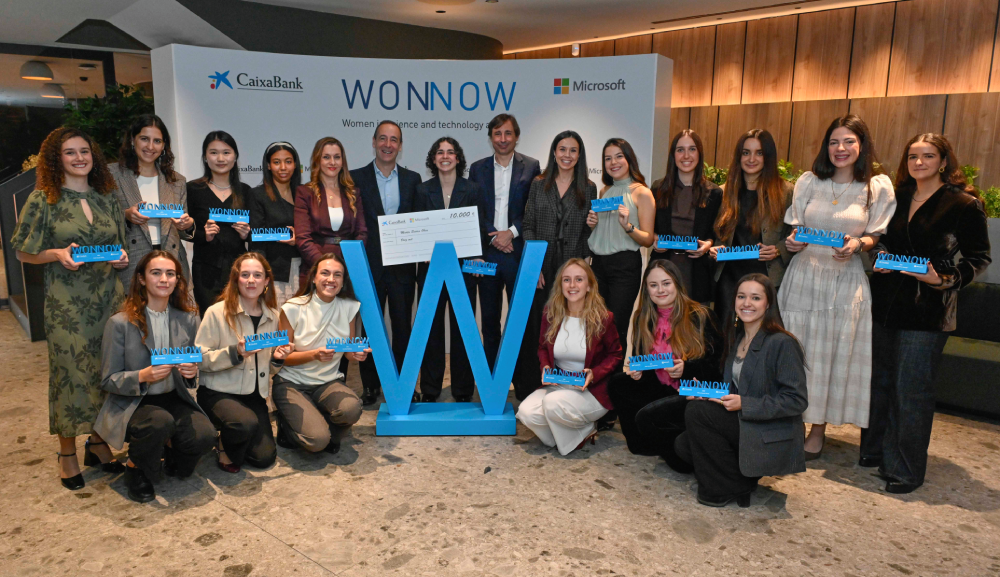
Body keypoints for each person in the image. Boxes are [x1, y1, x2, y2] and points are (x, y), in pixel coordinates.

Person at [862, 133, 991, 494]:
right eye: (913, 156)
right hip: (885, 304)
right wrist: (879, 256)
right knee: (880, 384)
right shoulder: (896, 198)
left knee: (912, 390)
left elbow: (979, 258)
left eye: (928, 156)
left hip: (928, 311)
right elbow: (882, 239)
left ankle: (905, 468)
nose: (919, 163)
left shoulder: (963, 204)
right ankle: (876, 452)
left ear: (944, 161)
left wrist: (944, 277)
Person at [11, 127, 129, 491]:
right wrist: (56, 254)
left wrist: (121, 257)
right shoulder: (42, 200)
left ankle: (97, 443)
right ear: (55, 159)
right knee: (70, 377)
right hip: (67, 305)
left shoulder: (107, 197)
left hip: (109, 299)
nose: (80, 158)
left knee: (107, 371)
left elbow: (120, 245)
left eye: (85, 151)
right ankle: (67, 454)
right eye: (70, 153)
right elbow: (22, 251)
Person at [778, 115, 896, 460]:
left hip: (844, 281)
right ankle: (790, 422)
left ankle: (818, 429)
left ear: (862, 146)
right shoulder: (809, 181)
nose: (840, 149)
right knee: (795, 351)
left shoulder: (876, 186)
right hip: (803, 276)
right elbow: (796, 227)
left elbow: (876, 235)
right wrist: (793, 241)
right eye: (834, 142)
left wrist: (858, 245)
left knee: (830, 354)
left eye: (848, 142)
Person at [674, 273, 808, 507]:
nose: (747, 303)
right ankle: (740, 480)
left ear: (768, 304)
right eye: (741, 296)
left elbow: (796, 400)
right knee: (683, 445)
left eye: (755, 298)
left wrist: (745, 403)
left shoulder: (782, 342)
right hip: (744, 422)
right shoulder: (737, 339)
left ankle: (721, 489)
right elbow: (734, 388)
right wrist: (706, 393)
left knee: (696, 414)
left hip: (767, 427)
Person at [94, 251, 215, 502]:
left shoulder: (189, 319)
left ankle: (169, 450)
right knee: (158, 422)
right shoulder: (120, 323)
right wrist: (142, 375)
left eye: (170, 274)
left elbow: (192, 367)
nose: (164, 279)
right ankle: (134, 468)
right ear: (141, 279)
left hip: (173, 396)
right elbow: (108, 379)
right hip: (136, 401)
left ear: (177, 280)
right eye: (156, 273)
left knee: (204, 435)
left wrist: (191, 373)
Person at [606, 260, 723, 469]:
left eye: (666, 283)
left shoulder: (701, 315)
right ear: (647, 290)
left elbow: (716, 366)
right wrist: (637, 372)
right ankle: (650, 441)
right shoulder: (643, 317)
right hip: (660, 387)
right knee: (618, 384)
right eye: (653, 285)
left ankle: (673, 439)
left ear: (677, 284)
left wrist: (686, 368)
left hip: (691, 392)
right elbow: (640, 360)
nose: (660, 290)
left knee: (680, 464)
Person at [195, 253, 293, 473]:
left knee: (264, 459)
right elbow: (200, 359)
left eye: (257, 275)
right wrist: (235, 353)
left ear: (266, 281)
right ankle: (223, 442)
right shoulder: (216, 313)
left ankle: (236, 435)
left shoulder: (273, 316)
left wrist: (278, 359)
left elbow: (268, 368)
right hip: (219, 392)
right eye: (245, 275)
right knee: (243, 424)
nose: (251, 281)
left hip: (254, 395)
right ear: (235, 279)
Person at [518, 130, 597, 400]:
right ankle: (532, 385)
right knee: (538, 326)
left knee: (567, 327)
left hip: (571, 268)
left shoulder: (588, 187)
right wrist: (533, 265)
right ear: (554, 152)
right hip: (542, 266)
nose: (567, 155)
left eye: (573, 150)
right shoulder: (539, 184)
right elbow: (528, 226)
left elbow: (588, 233)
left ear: (579, 155)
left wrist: (583, 269)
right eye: (562, 149)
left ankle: (563, 384)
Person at [412, 136, 490, 403]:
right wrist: (422, 250)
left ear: (458, 158)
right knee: (431, 331)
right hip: (430, 269)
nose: (445, 156)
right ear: (433, 159)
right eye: (440, 152)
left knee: (463, 330)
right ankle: (431, 389)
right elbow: (418, 228)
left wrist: (478, 254)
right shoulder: (422, 190)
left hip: (463, 270)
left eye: (450, 152)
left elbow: (479, 226)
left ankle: (463, 390)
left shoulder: (473, 189)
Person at [517, 259, 622, 455]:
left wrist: (594, 373)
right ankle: (579, 434)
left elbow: (615, 355)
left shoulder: (603, 318)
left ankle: (574, 433)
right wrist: (546, 367)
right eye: (567, 280)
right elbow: (542, 347)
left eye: (579, 279)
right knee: (526, 412)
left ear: (589, 285)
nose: (572, 285)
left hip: (591, 391)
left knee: (552, 404)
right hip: (559, 384)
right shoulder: (551, 313)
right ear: (560, 285)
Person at [349, 121, 422, 405]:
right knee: (370, 328)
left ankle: (405, 384)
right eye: (383, 138)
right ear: (374, 141)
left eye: (394, 140)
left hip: (403, 268)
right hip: (369, 266)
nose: (388, 144)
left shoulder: (412, 179)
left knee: (403, 327)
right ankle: (370, 385)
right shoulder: (355, 178)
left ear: (400, 146)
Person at [468, 114, 542, 375]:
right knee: (489, 318)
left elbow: (532, 209)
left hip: (516, 252)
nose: (503, 139)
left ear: (517, 137)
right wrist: (493, 234)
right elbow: (474, 209)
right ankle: (491, 376)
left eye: (508, 133)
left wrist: (510, 232)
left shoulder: (532, 166)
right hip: (487, 253)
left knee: (518, 318)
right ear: (490, 138)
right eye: (497, 134)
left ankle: (521, 377)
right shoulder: (477, 168)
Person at [274, 254, 366, 454]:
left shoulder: (349, 307)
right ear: (314, 277)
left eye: (337, 275)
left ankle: (316, 420)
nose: (331, 279)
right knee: (317, 441)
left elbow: (348, 352)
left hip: (328, 382)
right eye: (325, 273)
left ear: (343, 281)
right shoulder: (292, 308)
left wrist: (356, 355)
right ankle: (287, 425)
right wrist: (314, 355)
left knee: (352, 409)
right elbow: (283, 359)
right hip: (292, 383)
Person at [710, 129, 793, 326]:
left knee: (763, 338)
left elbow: (795, 234)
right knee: (727, 338)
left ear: (768, 157)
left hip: (767, 278)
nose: (751, 159)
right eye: (746, 152)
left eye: (759, 153)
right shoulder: (724, 192)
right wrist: (715, 246)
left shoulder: (786, 192)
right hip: (729, 278)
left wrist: (779, 249)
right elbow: (715, 233)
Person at [586, 138, 656, 355]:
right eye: (608, 158)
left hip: (625, 266)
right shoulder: (604, 191)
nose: (613, 162)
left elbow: (647, 239)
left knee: (616, 328)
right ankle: (598, 381)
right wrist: (592, 224)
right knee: (597, 326)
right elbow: (602, 233)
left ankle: (614, 384)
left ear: (629, 159)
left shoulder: (642, 192)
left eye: (619, 156)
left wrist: (628, 227)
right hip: (598, 266)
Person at [110, 114, 195, 292]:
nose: (150, 146)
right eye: (144, 139)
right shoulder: (112, 175)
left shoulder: (176, 180)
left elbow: (184, 230)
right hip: (131, 263)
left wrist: (187, 225)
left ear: (164, 145)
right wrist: (125, 215)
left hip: (170, 263)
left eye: (157, 141)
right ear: (133, 140)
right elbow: (100, 219)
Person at [650, 129, 723, 303]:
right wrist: (653, 238)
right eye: (680, 150)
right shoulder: (658, 188)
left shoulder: (714, 193)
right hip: (664, 265)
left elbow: (718, 233)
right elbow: (649, 226)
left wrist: (708, 245)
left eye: (692, 149)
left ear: (699, 154)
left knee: (696, 325)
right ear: (673, 155)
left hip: (697, 271)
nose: (686, 156)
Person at [187, 131, 251, 315]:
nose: (220, 158)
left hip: (239, 270)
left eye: (226, 152)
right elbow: (184, 230)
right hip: (205, 270)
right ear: (205, 157)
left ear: (235, 156)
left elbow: (256, 233)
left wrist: (246, 234)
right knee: (210, 321)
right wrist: (203, 235)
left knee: (239, 319)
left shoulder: (245, 192)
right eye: (213, 152)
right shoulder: (193, 189)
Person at [295, 136, 367, 288]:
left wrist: (346, 265)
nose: (332, 162)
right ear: (317, 161)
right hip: (314, 269)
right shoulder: (304, 192)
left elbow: (362, 233)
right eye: (326, 157)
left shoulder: (353, 193)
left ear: (343, 162)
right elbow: (303, 238)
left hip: (348, 269)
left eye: (337, 157)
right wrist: (325, 268)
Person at [248, 142, 302, 305]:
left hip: (303, 268)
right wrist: (260, 274)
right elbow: (255, 237)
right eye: (276, 162)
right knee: (276, 324)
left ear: (295, 165)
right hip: (274, 270)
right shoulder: (258, 195)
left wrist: (298, 238)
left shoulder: (304, 193)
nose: (283, 167)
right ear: (269, 166)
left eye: (288, 161)